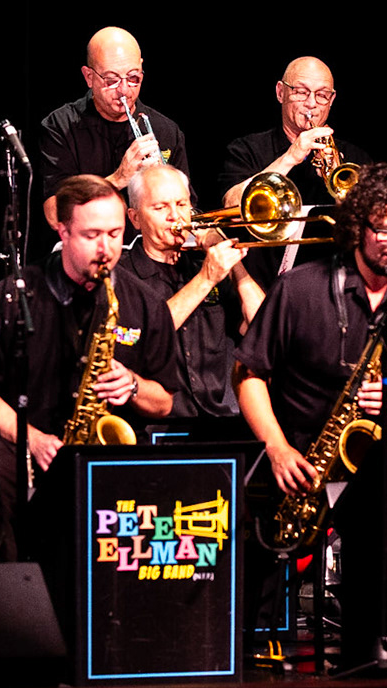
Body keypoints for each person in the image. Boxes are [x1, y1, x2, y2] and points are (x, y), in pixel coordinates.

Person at [0, 175, 176, 562]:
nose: (107, 248)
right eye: (92, 235)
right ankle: (8, 604)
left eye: (115, 233)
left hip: (106, 451)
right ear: (63, 231)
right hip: (21, 441)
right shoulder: (13, 295)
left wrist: (135, 385)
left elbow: (165, 403)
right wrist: (32, 438)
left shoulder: (145, 303)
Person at [236, 160, 387, 494]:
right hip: (306, 468)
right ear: (358, 226)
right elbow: (247, 374)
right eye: (385, 230)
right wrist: (277, 448)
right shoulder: (299, 289)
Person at [118, 163, 263, 417]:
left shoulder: (205, 266)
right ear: (135, 218)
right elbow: (142, 335)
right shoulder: (121, 274)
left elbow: (261, 328)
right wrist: (207, 278)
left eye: (182, 204)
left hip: (215, 421)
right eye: (160, 207)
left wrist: (233, 263)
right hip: (152, 427)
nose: (175, 216)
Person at [216, 56, 368, 290]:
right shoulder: (246, 149)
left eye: (322, 95)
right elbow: (230, 207)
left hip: (330, 289)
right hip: (262, 289)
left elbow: (371, 229)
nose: (311, 104)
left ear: (332, 100)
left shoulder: (355, 159)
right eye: (301, 92)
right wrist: (290, 158)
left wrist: (341, 190)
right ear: (280, 93)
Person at [37, 26, 190, 230]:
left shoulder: (167, 130)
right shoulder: (59, 126)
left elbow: (188, 208)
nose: (124, 90)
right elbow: (55, 214)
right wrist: (118, 179)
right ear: (89, 77)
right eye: (111, 80)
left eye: (133, 77)